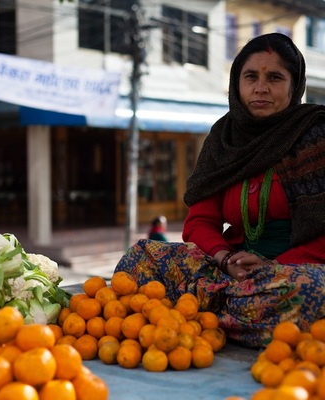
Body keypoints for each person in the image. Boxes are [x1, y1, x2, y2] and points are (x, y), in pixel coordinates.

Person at [114, 32, 325, 348]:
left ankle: (201, 313)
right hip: (229, 270)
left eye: (275, 78)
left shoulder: (317, 136)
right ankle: (230, 312)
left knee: (314, 292)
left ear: (295, 86)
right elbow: (199, 222)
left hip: (294, 270)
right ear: (236, 82)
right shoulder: (223, 139)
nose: (260, 87)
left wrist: (274, 266)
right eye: (250, 76)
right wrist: (225, 259)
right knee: (140, 258)